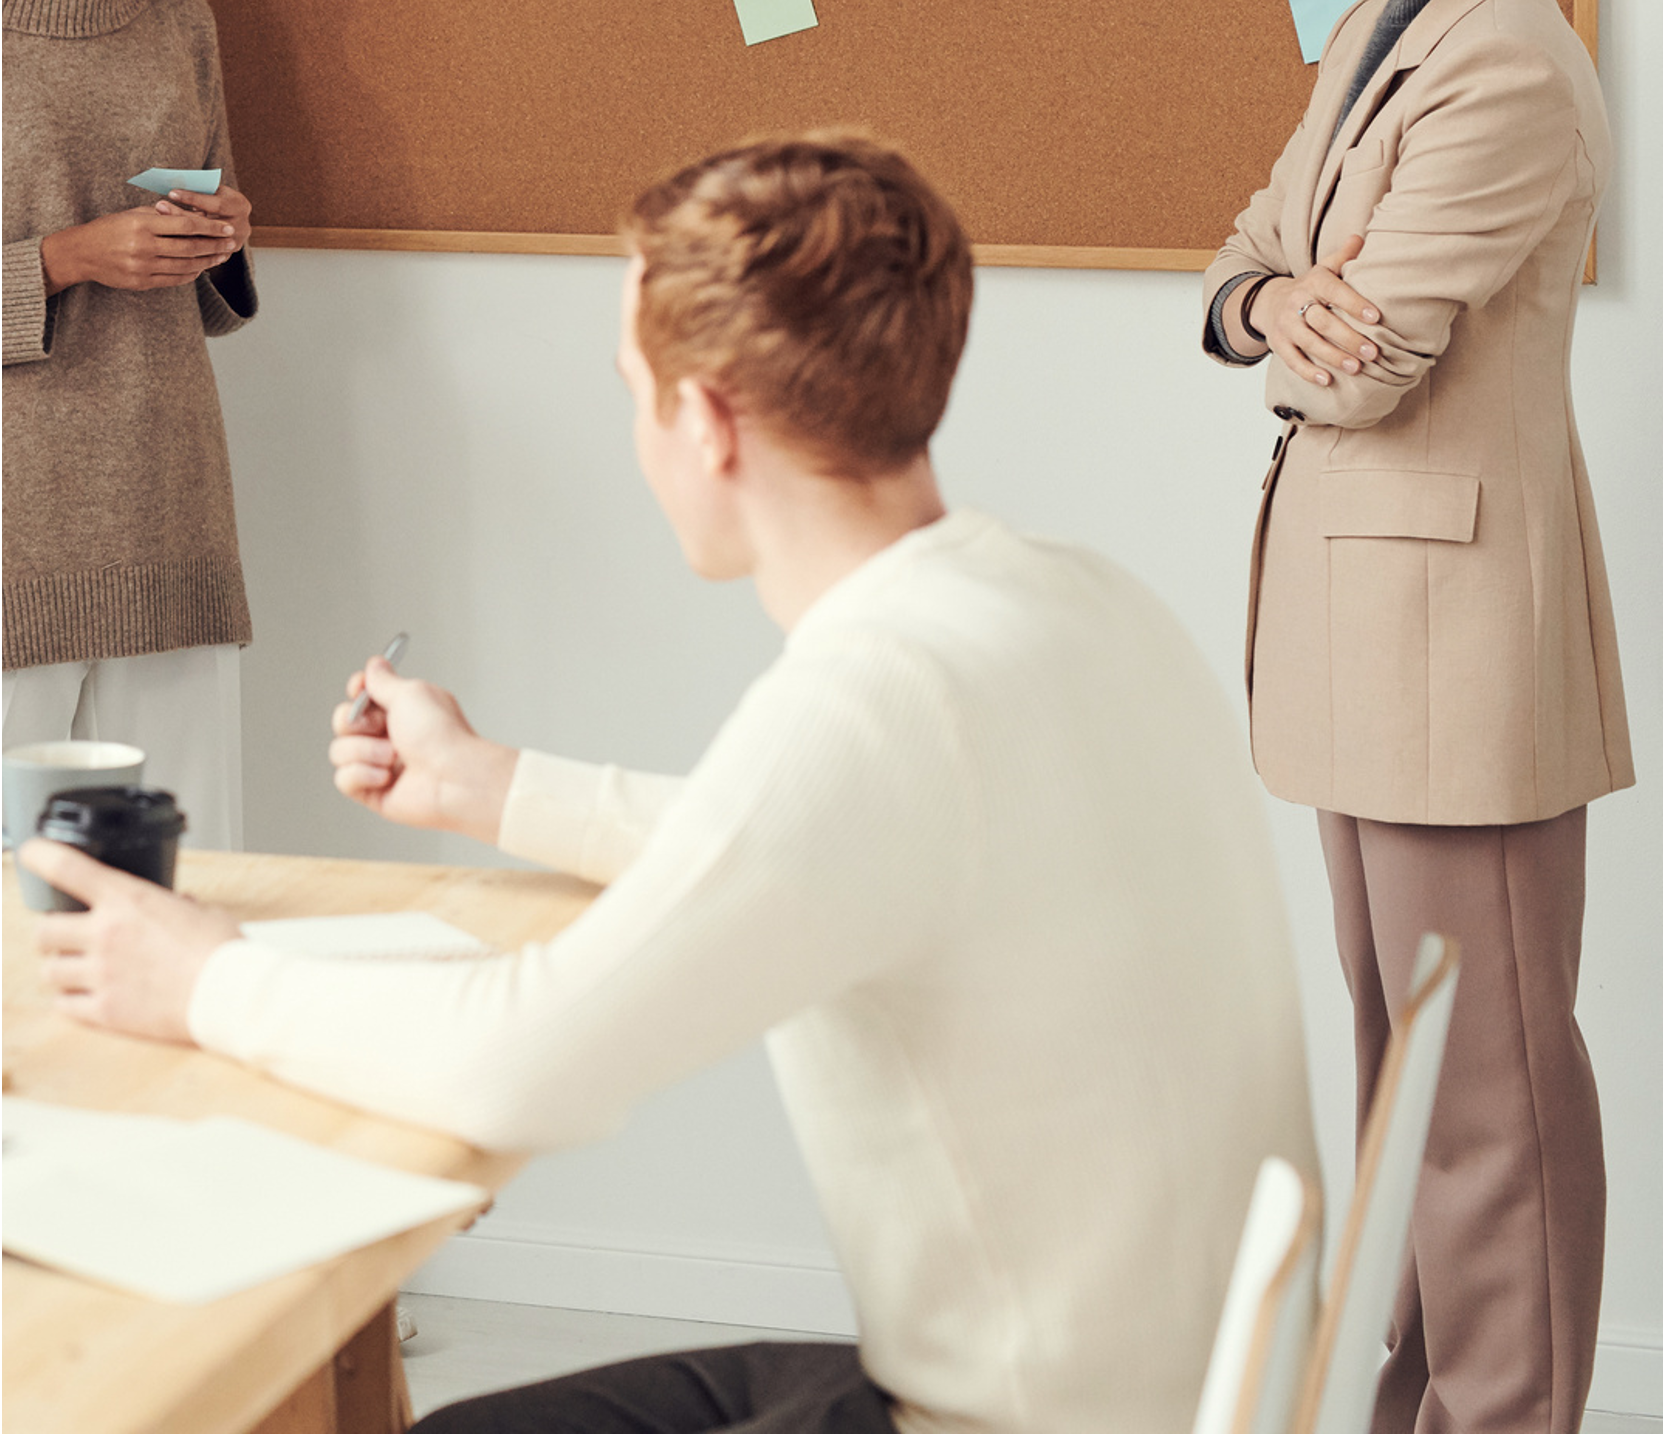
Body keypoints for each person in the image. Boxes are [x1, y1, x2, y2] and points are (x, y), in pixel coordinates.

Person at [25, 132, 1315, 1434]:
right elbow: (817, 848)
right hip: (1181, 1393)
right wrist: (492, 786)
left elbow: (518, 1061)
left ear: (703, 420)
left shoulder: (879, 694)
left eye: (633, 391)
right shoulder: (1070, 598)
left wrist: (206, 977)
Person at [1202, 0, 1632, 1434]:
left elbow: (1365, 367)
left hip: (1454, 640)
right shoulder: (1374, 28)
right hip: (1362, 633)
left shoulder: (1504, 66)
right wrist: (1273, 299)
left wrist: (1294, 313)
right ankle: (1418, 1411)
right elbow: (1240, 262)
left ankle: (1501, 1417)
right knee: (1409, 1078)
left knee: (1486, 1102)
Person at [3, 0, 256, 849]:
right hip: (16, 526)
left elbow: (211, 299)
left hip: (167, 499)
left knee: (194, 866)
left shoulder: (176, 18)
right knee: (17, 896)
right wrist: (70, 257)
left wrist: (218, 239)